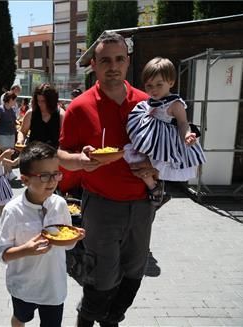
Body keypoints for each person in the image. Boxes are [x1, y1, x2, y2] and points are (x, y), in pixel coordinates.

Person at [57, 32, 156, 327]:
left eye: (118, 59)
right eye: (105, 61)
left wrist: (157, 167)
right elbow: (60, 154)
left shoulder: (148, 104)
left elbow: (167, 149)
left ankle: (110, 318)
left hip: (142, 204)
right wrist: (82, 163)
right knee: (102, 277)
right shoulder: (79, 107)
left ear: (127, 63)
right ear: (94, 66)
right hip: (100, 205)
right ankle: (88, 317)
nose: (113, 66)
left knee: (135, 272)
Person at [0, 142, 85, 327]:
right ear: (25, 180)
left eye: (56, 174)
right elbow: (2, 254)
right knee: (21, 318)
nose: (52, 181)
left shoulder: (60, 204)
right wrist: (25, 250)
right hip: (23, 285)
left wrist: (73, 238)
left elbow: (68, 245)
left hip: (53, 285)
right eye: (44, 176)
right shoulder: (13, 211)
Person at [126, 57, 206, 206]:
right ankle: (156, 189)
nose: (153, 89)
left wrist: (187, 135)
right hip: (151, 138)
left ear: (171, 82)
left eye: (159, 84)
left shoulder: (175, 104)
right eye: (149, 85)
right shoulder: (148, 101)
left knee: (149, 168)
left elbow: (183, 123)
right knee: (135, 160)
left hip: (165, 144)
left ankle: (156, 190)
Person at [17, 83, 65, 149]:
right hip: (33, 155)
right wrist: (20, 141)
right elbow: (23, 131)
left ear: (51, 101)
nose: (40, 104)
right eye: (38, 101)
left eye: (43, 101)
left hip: (53, 156)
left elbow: (65, 139)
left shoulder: (61, 115)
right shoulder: (31, 113)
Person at [0, 91, 18, 180]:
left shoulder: (12, 110)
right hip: (2, 134)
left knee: (9, 154)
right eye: (15, 100)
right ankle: (9, 172)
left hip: (11, 134)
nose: (15, 102)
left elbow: (14, 122)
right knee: (5, 153)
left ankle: (7, 173)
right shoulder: (0, 109)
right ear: (10, 99)